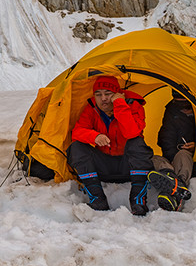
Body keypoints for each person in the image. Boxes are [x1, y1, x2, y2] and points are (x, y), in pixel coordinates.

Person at [66, 75, 154, 215]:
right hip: (104, 167)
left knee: (137, 143)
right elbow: (77, 132)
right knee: (76, 147)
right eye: (98, 94)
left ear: (117, 94)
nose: (103, 98)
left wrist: (120, 104)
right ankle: (97, 199)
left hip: (129, 167)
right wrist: (95, 136)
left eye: (108, 94)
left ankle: (138, 200)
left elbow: (131, 132)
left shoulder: (133, 106)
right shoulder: (92, 109)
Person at [148, 89, 196, 211]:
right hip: (171, 158)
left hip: (190, 157)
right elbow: (165, 138)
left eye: (185, 105)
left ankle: (174, 184)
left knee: (183, 155)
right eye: (177, 104)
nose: (182, 109)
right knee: (153, 158)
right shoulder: (171, 112)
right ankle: (174, 182)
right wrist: (172, 158)